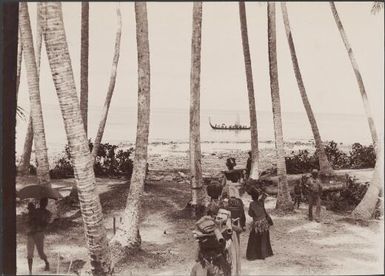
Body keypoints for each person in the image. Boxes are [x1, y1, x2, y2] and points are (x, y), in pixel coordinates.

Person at [246, 187, 273, 260]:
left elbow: (250, 214)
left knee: (254, 239)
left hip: (257, 224)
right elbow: (264, 196)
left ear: (252, 196)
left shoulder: (252, 204)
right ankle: (264, 254)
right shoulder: (261, 202)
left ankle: (254, 255)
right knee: (264, 238)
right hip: (264, 223)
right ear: (258, 196)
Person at [26, 198, 51, 274]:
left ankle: (46, 262)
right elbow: (28, 221)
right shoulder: (35, 211)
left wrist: (40, 222)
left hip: (39, 234)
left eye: (44, 202)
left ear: (46, 204)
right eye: (41, 202)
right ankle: (30, 272)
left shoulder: (48, 213)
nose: (42, 203)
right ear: (40, 203)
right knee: (29, 253)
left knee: (40, 252)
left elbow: (46, 224)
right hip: (30, 234)